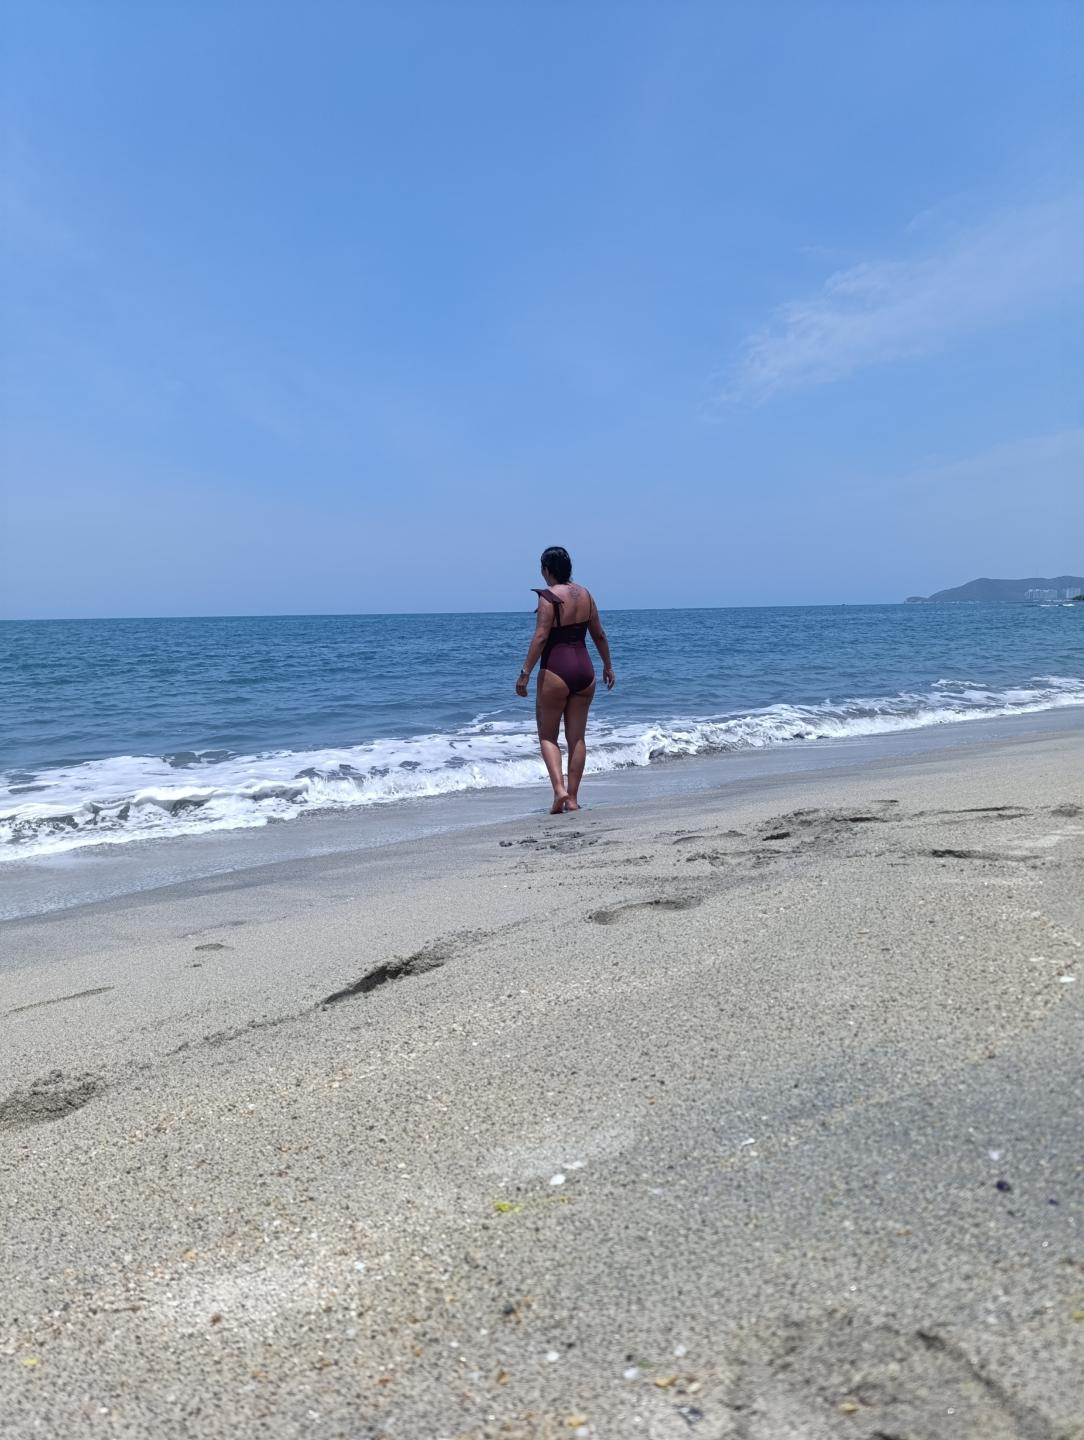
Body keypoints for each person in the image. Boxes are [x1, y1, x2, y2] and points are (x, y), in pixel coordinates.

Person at [515, 546, 615, 813]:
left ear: (547, 570)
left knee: (548, 735)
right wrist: (608, 666)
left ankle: (559, 791)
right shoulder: (586, 595)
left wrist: (525, 673)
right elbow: (599, 635)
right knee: (577, 738)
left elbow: (541, 637)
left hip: (556, 670)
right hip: (584, 671)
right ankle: (573, 798)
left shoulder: (548, 596)